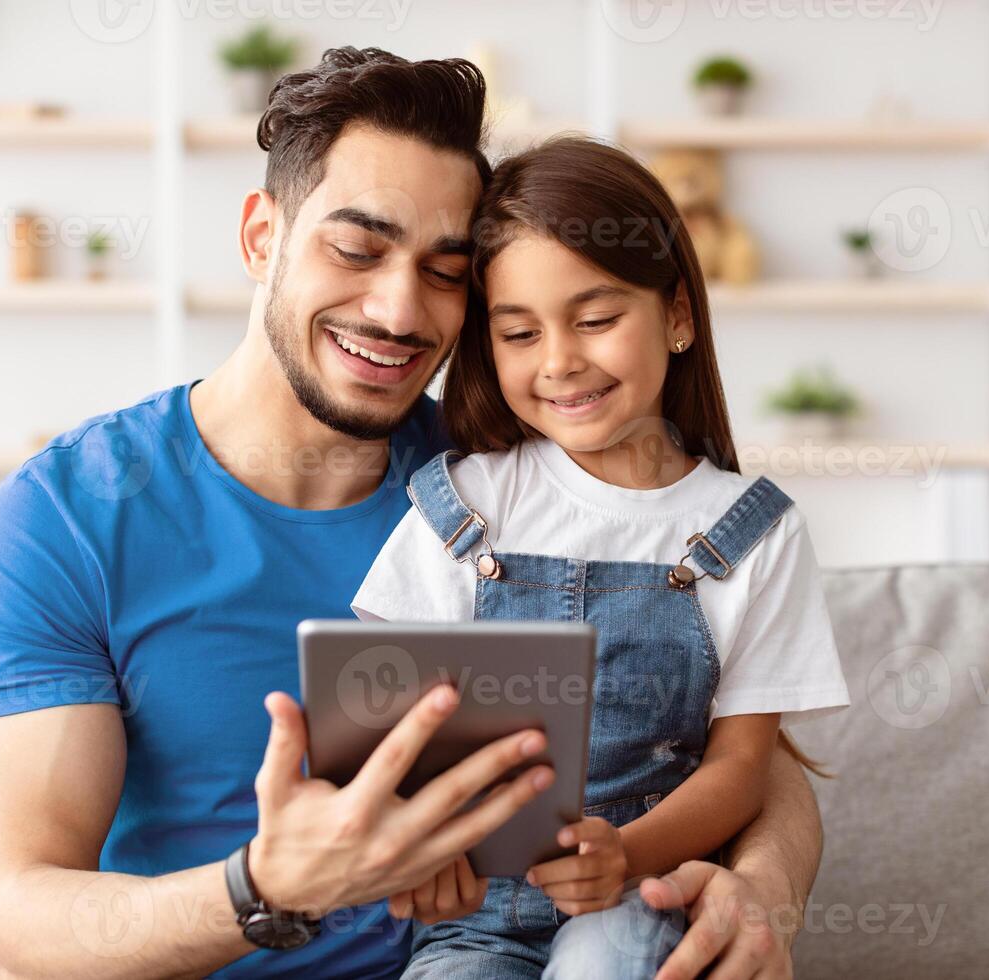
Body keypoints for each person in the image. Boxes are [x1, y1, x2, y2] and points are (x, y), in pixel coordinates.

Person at [0, 48, 828, 980]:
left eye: (445, 270)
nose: (399, 309)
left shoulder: (505, 482)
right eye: (357, 249)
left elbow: (750, 751)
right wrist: (265, 888)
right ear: (261, 237)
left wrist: (763, 890)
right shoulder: (70, 520)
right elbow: (22, 922)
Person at [351, 137, 850, 978]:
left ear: (679, 316)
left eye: (596, 319)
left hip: (641, 890)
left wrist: (623, 852)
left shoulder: (754, 531)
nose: (560, 362)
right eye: (518, 332)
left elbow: (740, 773)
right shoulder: (468, 501)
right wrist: (415, 843)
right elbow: (382, 711)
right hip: (476, 916)